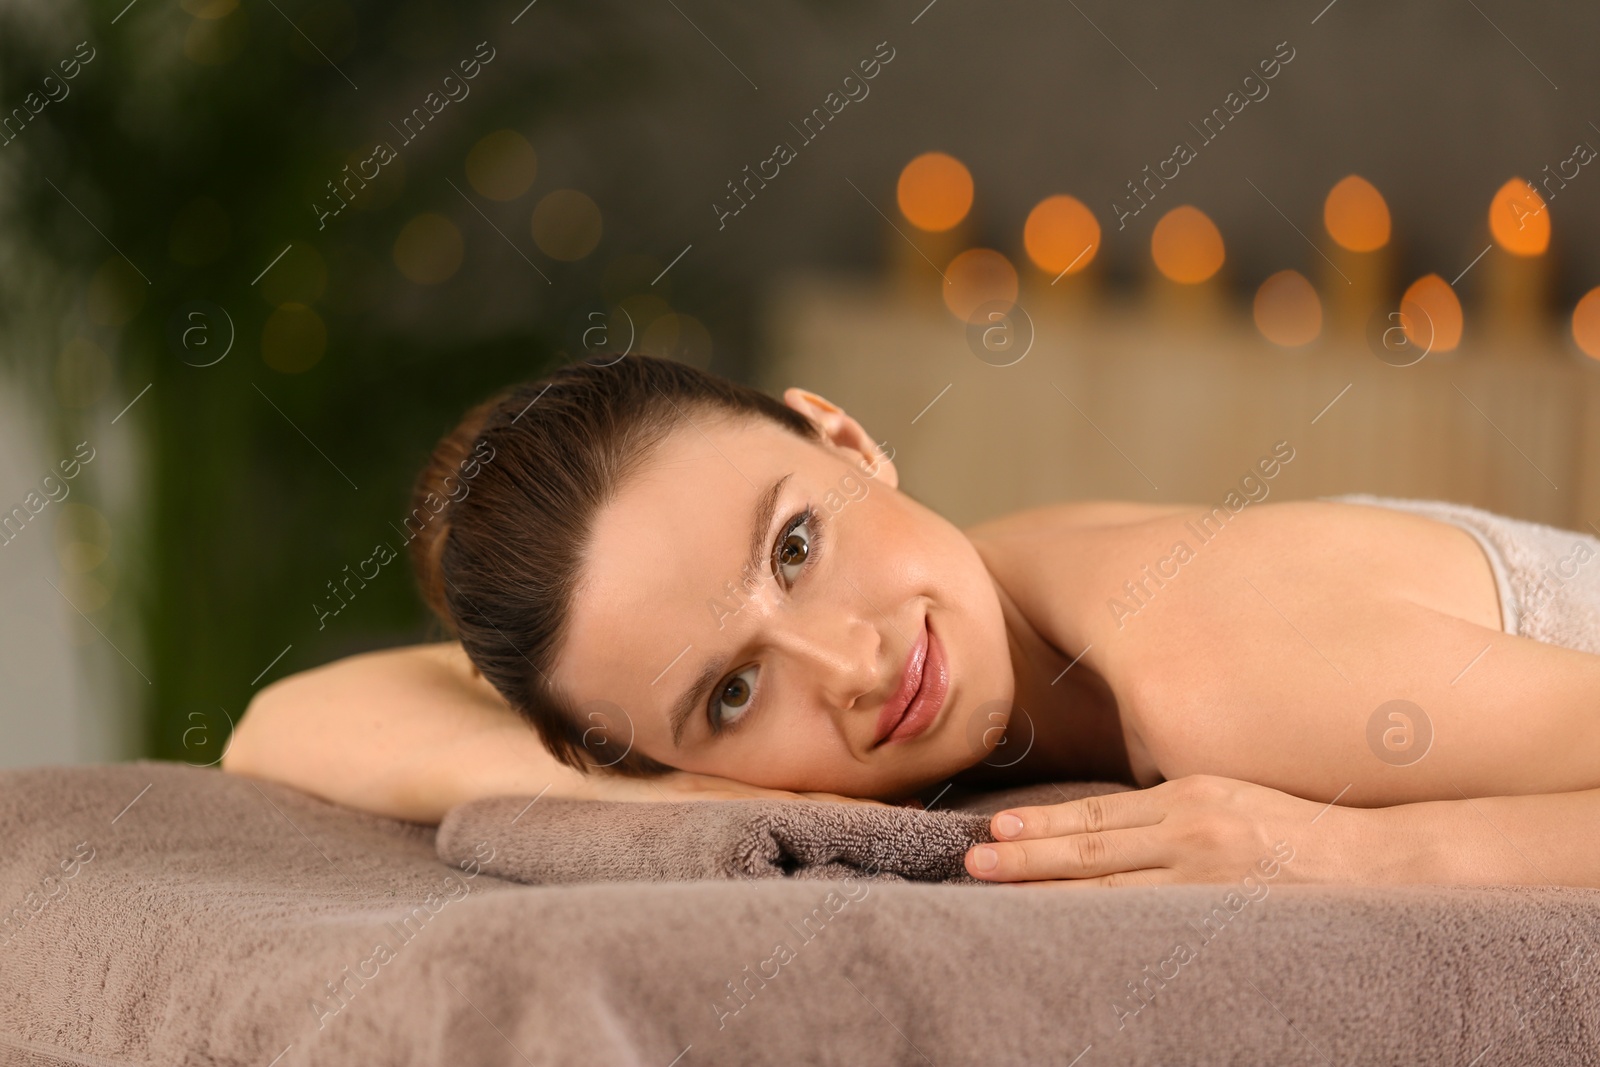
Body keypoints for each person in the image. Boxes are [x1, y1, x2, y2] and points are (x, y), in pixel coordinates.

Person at [223, 354, 1600, 887]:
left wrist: (1348, 857)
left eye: (799, 546)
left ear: (845, 435)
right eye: (732, 692)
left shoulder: (1208, 667)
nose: (855, 662)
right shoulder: (988, 592)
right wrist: (659, 792)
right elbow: (283, 722)